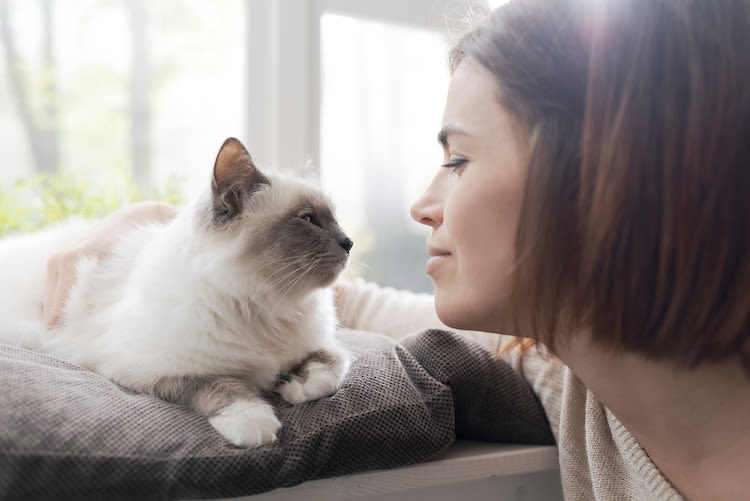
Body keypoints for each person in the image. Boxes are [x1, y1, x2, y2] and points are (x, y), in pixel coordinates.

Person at [43, 0, 750, 499]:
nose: (421, 203)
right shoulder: (568, 374)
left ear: (603, 174)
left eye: (459, 160)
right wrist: (140, 226)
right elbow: (317, 292)